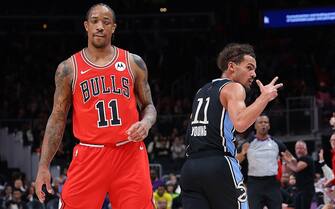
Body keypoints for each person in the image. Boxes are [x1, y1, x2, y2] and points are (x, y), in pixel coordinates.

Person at [34, 3, 157, 209]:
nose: (100, 26)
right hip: (89, 154)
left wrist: (146, 123)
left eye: (106, 22)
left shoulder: (134, 62)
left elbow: (149, 106)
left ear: (113, 28)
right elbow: (57, 117)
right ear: (86, 26)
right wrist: (43, 166)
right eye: (95, 21)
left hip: (129, 153)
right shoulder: (68, 68)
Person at [180, 43, 283, 209]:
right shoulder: (234, 87)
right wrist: (264, 98)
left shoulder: (201, 91)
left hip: (190, 168)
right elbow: (241, 124)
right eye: (249, 68)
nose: (254, 74)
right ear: (232, 66)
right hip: (219, 165)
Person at [238, 115, 287, 209]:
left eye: (266, 122)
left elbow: (290, 159)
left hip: (272, 183)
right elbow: (236, 161)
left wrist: (291, 163)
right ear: (255, 126)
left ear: (269, 126)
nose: (263, 124)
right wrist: (243, 153)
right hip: (254, 184)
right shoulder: (247, 144)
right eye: (260, 122)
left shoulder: (277, 143)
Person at [282, 140, 315, 209]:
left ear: (305, 149)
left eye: (301, 148)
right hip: (298, 190)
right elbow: (286, 171)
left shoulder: (307, 158)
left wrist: (286, 160)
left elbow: (296, 168)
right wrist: (284, 162)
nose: (299, 150)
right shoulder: (298, 160)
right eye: (297, 148)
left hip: (306, 190)